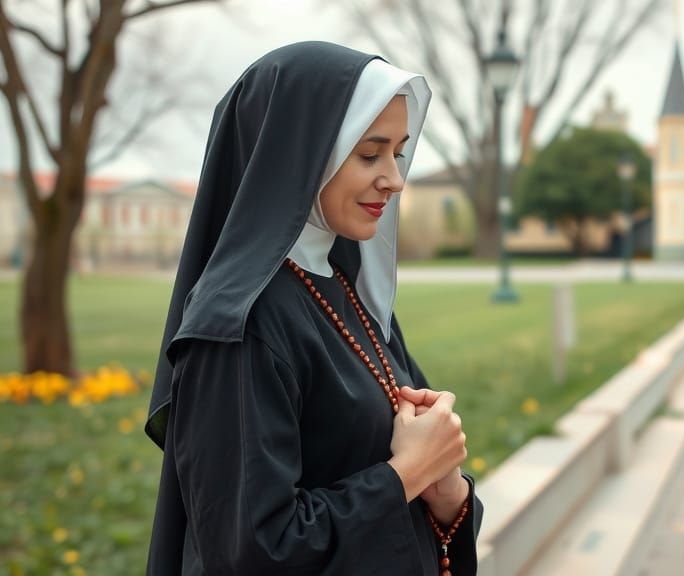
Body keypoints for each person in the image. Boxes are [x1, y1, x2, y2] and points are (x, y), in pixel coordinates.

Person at [143, 42, 482, 575]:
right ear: (297, 157)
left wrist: (447, 492)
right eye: (370, 153)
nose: (394, 178)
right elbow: (251, 551)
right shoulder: (239, 327)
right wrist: (407, 473)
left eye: (398, 151)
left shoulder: (345, 289)